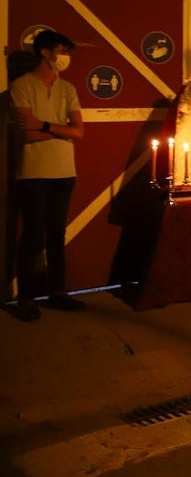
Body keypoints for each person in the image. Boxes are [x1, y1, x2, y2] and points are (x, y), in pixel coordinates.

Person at [10, 30, 86, 321]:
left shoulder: (67, 89)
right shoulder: (21, 86)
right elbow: (26, 136)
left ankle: (58, 292)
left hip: (65, 172)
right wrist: (58, 129)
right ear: (45, 52)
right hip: (34, 173)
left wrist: (42, 125)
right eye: (61, 50)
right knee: (32, 235)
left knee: (57, 234)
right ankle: (26, 298)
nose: (65, 57)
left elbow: (78, 131)